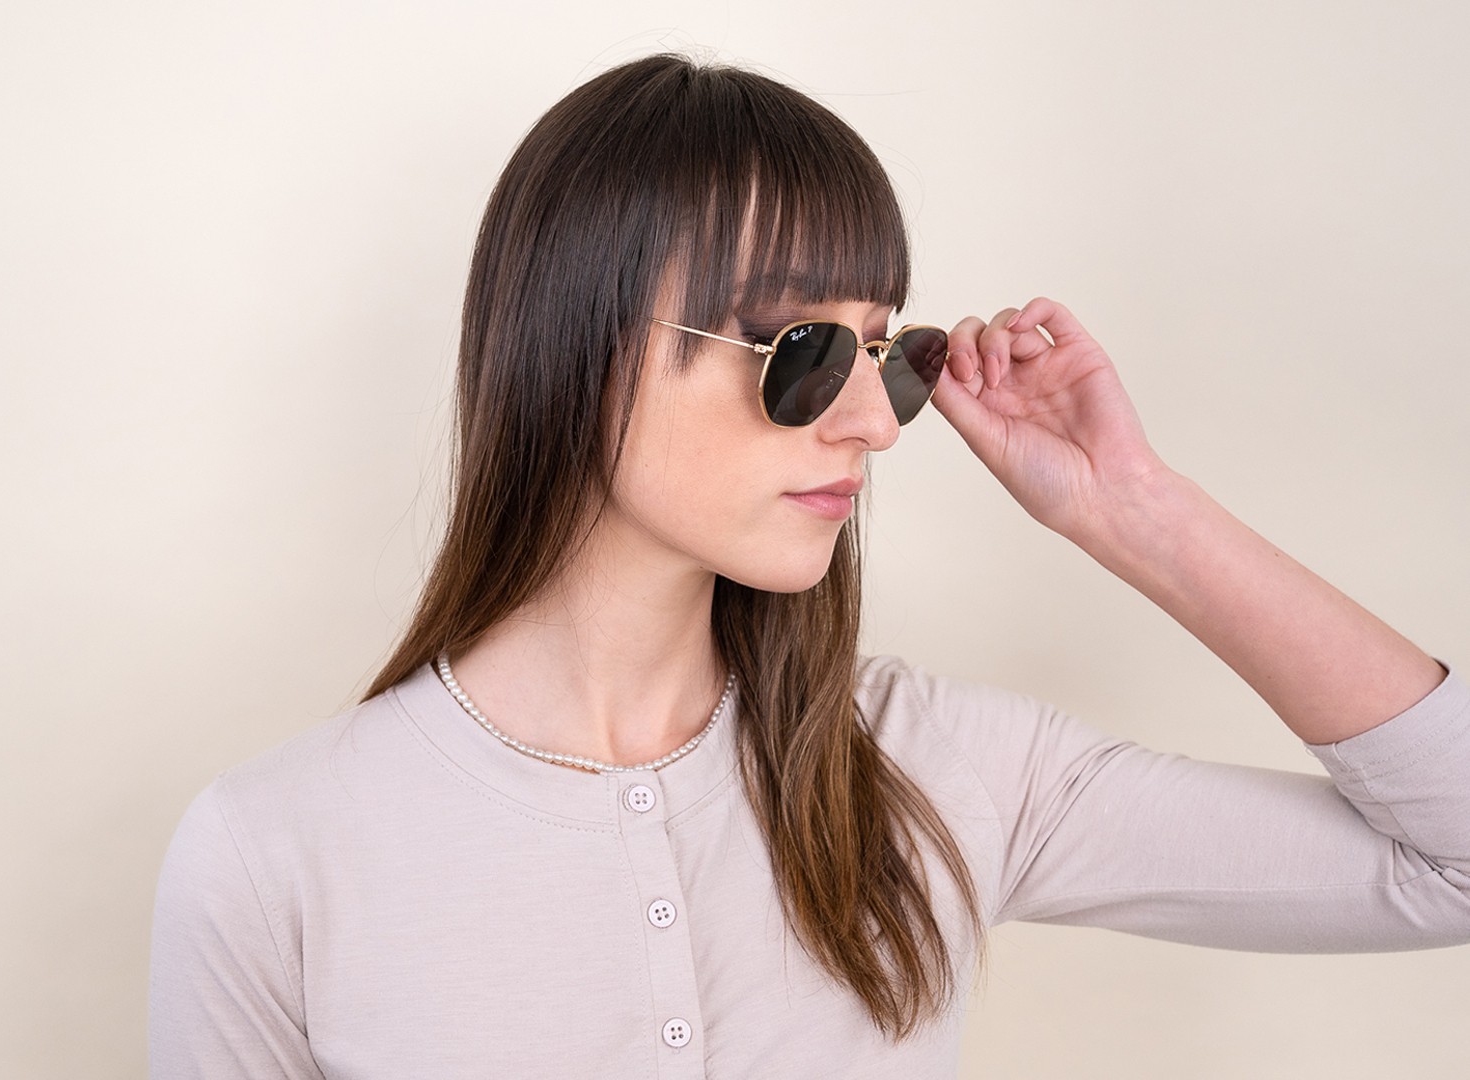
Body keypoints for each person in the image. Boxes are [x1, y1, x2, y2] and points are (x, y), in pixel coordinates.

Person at [146, 53, 1470, 1078]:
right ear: (580, 345)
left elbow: (1450, 864)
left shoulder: (934, 771)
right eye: (803, 351)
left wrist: (1136, 512)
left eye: (888, 352)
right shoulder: (278, 854)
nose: (875, 422)